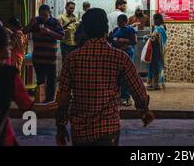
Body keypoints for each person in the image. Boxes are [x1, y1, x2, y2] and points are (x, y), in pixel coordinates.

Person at [55, 8, 154, 146]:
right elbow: (137, 88)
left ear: (85, 30)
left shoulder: (72, 58)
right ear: (106, 28)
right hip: (108, 129)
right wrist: (144, 111)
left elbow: (63, 98)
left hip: (80, 131)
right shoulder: (119, 57)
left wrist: (60, 126)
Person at [23, 5, 64, 102]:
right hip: (38, 57)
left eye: (45, 15)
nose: (43, 17)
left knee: (51, 81)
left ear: (49, 13)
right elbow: (24, 31)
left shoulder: (55, 22)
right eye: (41, 15)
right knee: (40, 81)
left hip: (50, 58)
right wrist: (31, 23)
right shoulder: (36, 21)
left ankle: (50, 100)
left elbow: (61, 36)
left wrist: (49, 31)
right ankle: (41, 99)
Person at [110, 14, 137, 106]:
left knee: (126, 76)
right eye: (118, 21)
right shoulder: (117, 30)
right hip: (117, 55)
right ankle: (120, 96)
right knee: (118, 76)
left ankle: (127, 97)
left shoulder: (130, 29)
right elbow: (113, 39)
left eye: (121, 21)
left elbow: (134, 42)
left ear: (126, 22)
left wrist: (122, 40)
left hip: (127, 53)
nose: (119, 23)